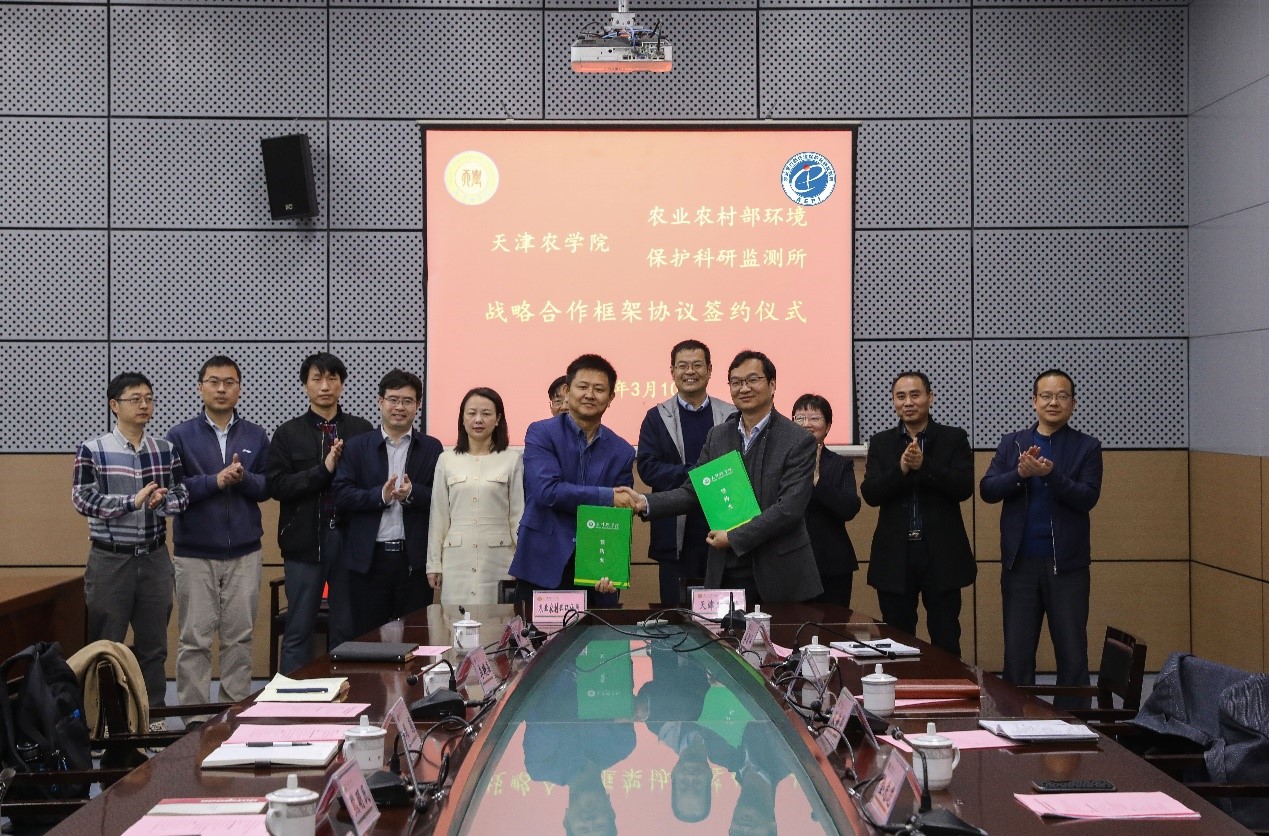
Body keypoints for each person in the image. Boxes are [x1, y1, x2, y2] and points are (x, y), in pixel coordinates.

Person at [623, 350, 822, 605]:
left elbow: (789, 510)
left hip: (780, 573)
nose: (744, 388)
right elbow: (694, 491)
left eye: (753, 380)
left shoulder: (797, 439)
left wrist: (734, 537)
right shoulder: (718, 436)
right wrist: (644, 502)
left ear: (772, 385)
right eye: (736, 382)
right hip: (727, 570)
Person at [980, 369, 1103, 705]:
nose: (1053, 402)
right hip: (1020, 565)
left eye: (1062, 396)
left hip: (1068, 567)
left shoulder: (1087, 446)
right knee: (1017, 657)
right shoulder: (1013, 443)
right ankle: (1016, 727)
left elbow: (1087, 497)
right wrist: (1019, 474)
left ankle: (1074, 727)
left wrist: (1050, 475)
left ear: (1073, 403)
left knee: (1072, 655)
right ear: (1034, 401)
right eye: (1046, 396)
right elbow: (988, 489)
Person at [72, 372, 189, 717]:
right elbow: (82, 499)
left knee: (154, 647)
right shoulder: (93, 450)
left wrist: (163, 502)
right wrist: (130, 502)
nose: (144, 405)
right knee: (104, 648)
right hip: (110, 560)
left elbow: (182, 495)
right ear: (114, 405)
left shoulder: (165, 450)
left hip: (154, 558)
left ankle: (152, 719)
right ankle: (102, 722)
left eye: (149, 398)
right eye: (135, 399)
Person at [166, 356, 270, 707]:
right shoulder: (180, 436)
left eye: (229, 382)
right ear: (200, 388)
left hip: (245, 552)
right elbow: (173, 489)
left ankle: (232, 711)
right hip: (194, 554)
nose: (222, 389)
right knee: (194, 640)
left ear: (239, 388)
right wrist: (215, 481)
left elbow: (267, 486)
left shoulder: (255, 434)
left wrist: (243, 479)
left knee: (239, 639)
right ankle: (195, 717)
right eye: (214, 382)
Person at [266, 352, 373, 673]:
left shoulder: (361, 430)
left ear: (342, 384)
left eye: (332, 379)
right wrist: (323, 470)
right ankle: (290, 697)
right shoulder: (287, 433)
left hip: (350, 541)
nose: (325, 386)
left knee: (347, 630)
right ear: (305, 385)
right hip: (304, 543)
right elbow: (278, 486)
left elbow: (369, 482)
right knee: (298, 629)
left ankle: (347, 695)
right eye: (317, 379)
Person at [860, 371, 974, 657]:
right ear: (893, 401)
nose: (908, 402)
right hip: (895, 554)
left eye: (915, 395)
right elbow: (871, 493)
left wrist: (925, 466)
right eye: (901, 397)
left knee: (946, 636)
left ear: (929, 398)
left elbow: (963, 488)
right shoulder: (881, 442)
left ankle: (948, 686)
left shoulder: (953, 438)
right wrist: (901, 469)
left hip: (941, 554)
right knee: (897, 639)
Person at [509, 354, 634, 607]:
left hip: (596, 571)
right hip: (542, 563)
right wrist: (607, 495)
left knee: (598, 633)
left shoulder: (622, 450)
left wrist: (612, 567)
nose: (590, 395)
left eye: (599, 389)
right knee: (536, 634)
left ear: (611, 397)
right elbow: (547, 492)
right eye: (582, 386)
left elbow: (619, 516)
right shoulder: (541, 432)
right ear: (567, 391)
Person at [334, 369, 443, 638]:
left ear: (417, 405)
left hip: (413, 560)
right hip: (369, 561)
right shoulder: (357, 447)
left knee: (417, 638)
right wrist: (380, 497)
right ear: (380, 401)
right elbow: (342, 494)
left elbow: (442, 499)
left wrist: (412, 493)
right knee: (368, 639)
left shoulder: (431, 448)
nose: (400, 407)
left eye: (407, 401)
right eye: (393, 399)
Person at [636, 339, 736, 605]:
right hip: (674, 537)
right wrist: (699, 476)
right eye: (682, 366)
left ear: (710, 370)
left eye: (697, 365)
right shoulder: (656, 417)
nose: (690, 371)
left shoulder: (731, 415)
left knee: (724, 616)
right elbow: (647, 467)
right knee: (675, 614)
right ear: (672, 371)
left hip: (724, 534)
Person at [427, 387, 524, 605]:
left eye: (486, 414)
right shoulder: (446, 460)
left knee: (499, 621)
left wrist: (521, 563)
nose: (478, 419)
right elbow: (439, 516)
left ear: (498, 419)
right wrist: (434, 564)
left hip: (499, 560)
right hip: (456, 562)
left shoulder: (512, 459)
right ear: (462, 419)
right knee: (456, 620)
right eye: (471, 413)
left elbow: (517, 516)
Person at [791, 394, 861, 607]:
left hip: (831, 564)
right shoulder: (782, 462)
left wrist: (817, 481)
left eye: (815, 418)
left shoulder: (840, 464)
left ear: (828, 426)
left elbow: (849, 508)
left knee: (833, 624)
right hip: (790, 562)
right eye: (800, 418)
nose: (807, 424)